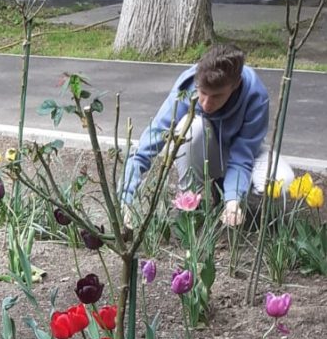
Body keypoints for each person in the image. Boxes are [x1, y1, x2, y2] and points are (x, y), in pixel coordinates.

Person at [123, 43, 294, 228]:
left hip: (238, 151)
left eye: (217, 96)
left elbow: (242, 156)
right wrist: (127, 197)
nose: (206, 103)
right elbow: (153, 138)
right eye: (202, 93)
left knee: (283, 181)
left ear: (235, 85)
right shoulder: (188, 86)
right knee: (191, 128)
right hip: (203, 146)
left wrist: (232, 200)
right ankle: (189, 208)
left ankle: (227, 196)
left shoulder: (255, 95)